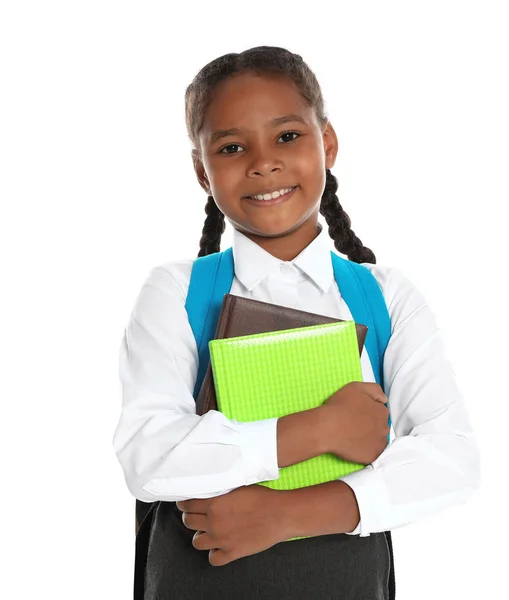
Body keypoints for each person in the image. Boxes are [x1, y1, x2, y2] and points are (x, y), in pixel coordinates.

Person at [113, 45, 480, 600]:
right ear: (200, 170)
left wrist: (285, 514)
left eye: (287, 136)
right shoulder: (176, 293)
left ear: (327, 144)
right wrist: (320, 430)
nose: (263, 162)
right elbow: (147, 456)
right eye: (232, 147)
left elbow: (452, 458)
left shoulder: (384, 297)